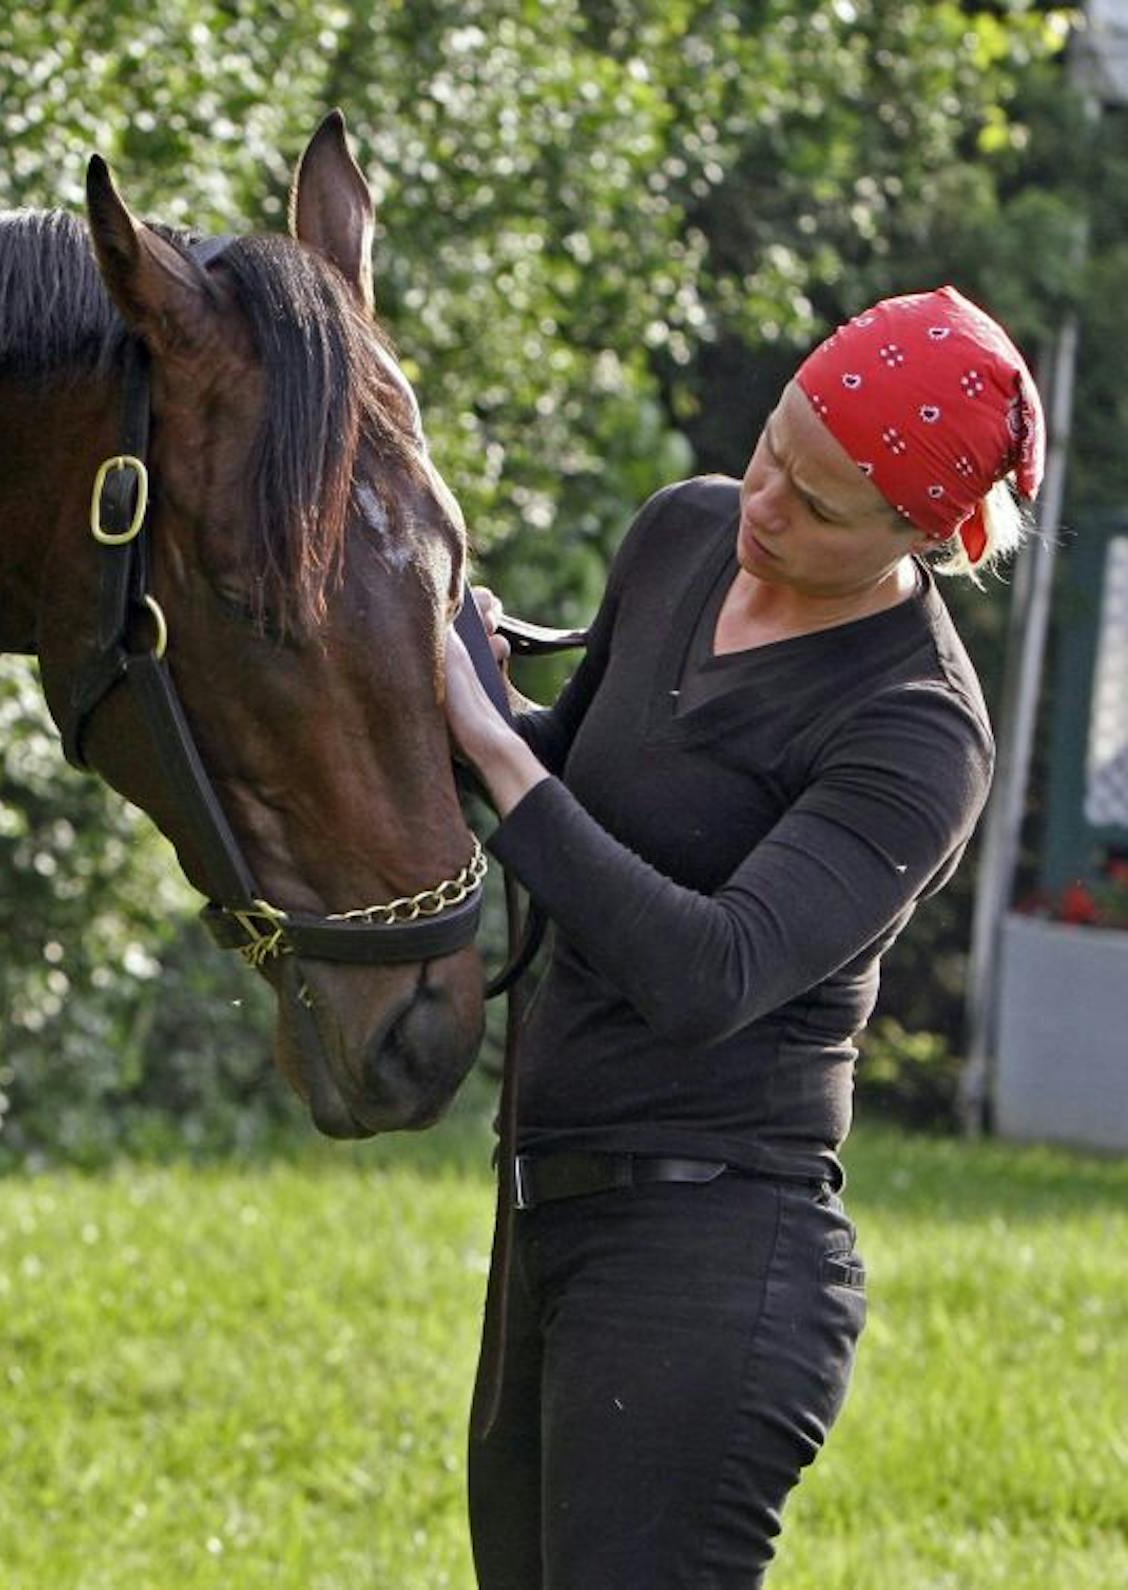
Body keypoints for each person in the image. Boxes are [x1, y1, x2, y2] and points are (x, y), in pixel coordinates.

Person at [440, 286, 1043, 1588]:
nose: (763, 503)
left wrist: (490, 748)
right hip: (544, 1212)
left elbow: (709, 971)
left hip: (707, 1264)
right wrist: (473, 700)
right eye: (776, 447)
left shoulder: (919, 729)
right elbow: (571, 783)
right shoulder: (683, 532)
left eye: (819, 505)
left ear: (920, 534)